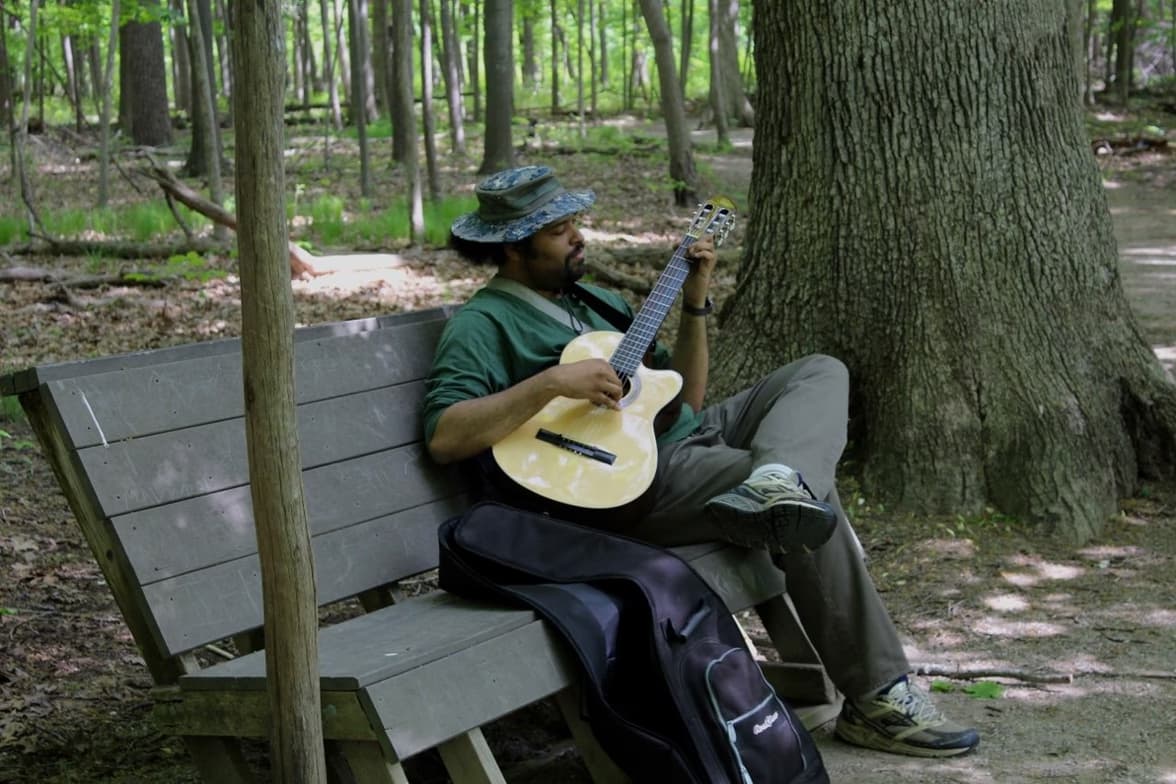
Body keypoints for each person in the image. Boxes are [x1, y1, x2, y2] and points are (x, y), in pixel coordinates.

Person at [423, 165, 980, 758]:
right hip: (627, 479)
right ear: (513, 247)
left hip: (680, 437)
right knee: (806, 502)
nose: (579, 238)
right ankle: (878, 697)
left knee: (820, 371)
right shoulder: (483, 324)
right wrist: (552, 384)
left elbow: (682, 398)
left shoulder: (596, 302)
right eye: (560, 231)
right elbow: (445, 434)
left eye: (575, 224)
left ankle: (775, 478)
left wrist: (695, 305)